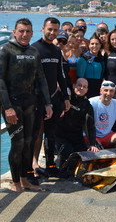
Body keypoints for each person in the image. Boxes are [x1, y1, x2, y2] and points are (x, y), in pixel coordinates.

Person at [0, 18, 52, 192]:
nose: (24, 34)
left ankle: (25, 179)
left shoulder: (34, 52)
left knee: (29, 142)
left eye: (28, 31)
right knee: (18, 143)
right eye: (21, 31)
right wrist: (7, 107)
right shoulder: (6, 50)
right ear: (14, 32)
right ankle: (16, 183)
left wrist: (48, 103)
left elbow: (41, 78)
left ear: (32, 32)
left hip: (30, 103)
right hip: (12, 105)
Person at [32, 17, 70, 177]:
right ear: (43, 29)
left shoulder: (56, 51)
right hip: (38, 98)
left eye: (55, 30)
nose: (52, 32)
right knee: (36, 133)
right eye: (50, 29)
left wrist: (66, 97)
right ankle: (33, 166)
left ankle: (50, 165)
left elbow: (61, 75)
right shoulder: (34, 49)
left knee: (51, 133)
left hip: (54, 97)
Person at [55, 78, 99, 168]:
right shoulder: (65, 99)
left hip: (76, 137)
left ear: (87, 90)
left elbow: (90, 126)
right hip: (60, 136)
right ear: (74, 86)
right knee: (68, 152)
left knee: (83, 156)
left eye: (84, 87)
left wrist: (92, 144)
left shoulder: (87, 106)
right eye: (79, 85)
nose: (81, 88)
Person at [77, 33, 105, 98]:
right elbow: (79, 77)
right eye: (92, 44)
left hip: (98, 88)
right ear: (89, 45)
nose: (94, 46)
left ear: (100, 45)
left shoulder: (102, 59)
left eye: (97, 44)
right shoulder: (83, 59)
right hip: (86, 89)